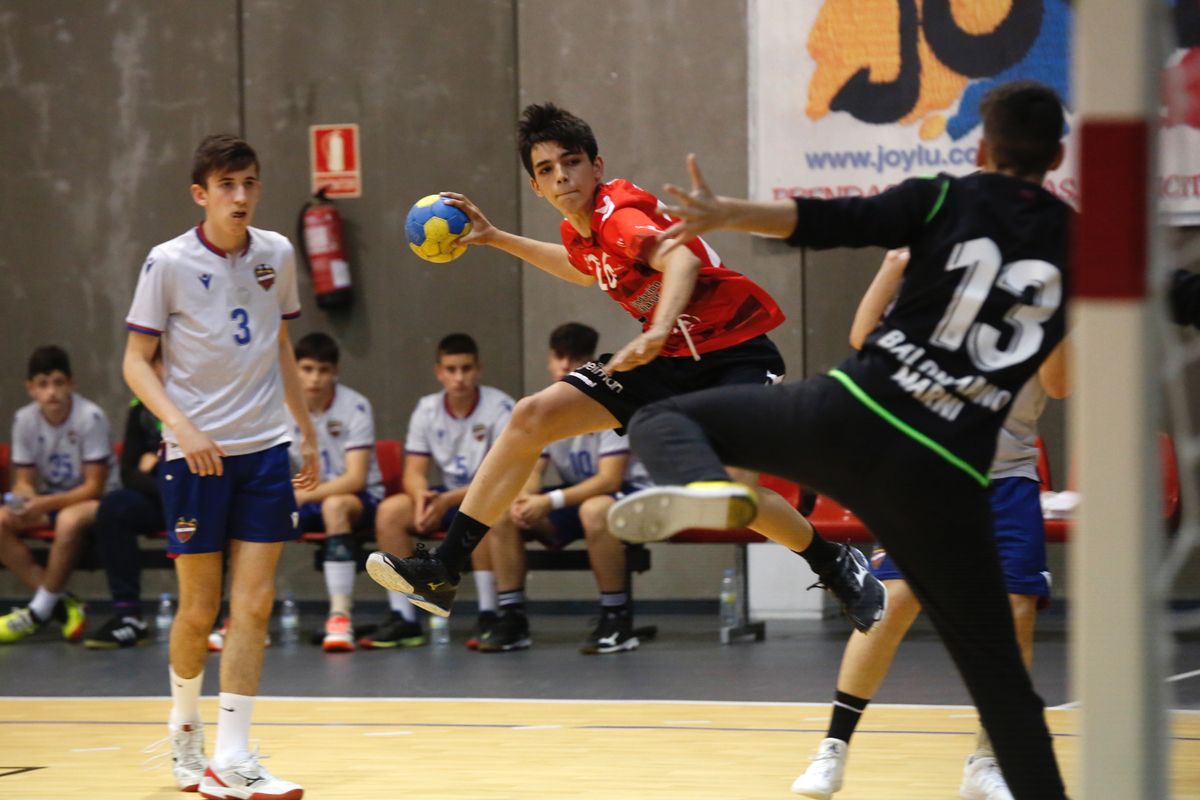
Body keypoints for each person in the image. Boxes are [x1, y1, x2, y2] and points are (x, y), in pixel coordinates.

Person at [606, 81, 1071, 799]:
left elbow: (829, 219)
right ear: (1058, 156)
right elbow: (1175, 290)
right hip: (944, 474)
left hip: (852, 414)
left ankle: (710, 490)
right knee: (1009, 699)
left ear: (981, 147)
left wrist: (728, 212)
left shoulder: (944, 196)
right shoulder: (1077, 243)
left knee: (661, 419)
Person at [366, 103, 885, 635]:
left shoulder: (619, 214)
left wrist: (658, 329)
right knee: (530, 418)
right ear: (535, 185)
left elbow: (680, 260)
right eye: (546, 170)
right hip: (668, 357)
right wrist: (497, 237)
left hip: (733, 352)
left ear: (597, 165)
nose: (561, 176)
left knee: (734, 492)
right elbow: (580, 268)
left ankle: (834, 563)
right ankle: (443, 568)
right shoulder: (582, 230)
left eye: (570, 162)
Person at [791, 249, 1069, 800]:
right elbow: (861, 336)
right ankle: (833, 748)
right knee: (892, 603)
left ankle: (988, 761)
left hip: (1007, 480)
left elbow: (1059, 385)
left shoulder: (1040, 307)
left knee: (1015, 615)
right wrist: (893, 265)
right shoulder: (941, 302)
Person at [124, 133, 318, 799]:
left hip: (264, 450)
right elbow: (133, 362)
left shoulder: (277, 255)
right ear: (201, 194)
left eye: (251, 183)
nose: (241, 196)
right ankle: (184, 729)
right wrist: (180, 426)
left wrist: (306, 428)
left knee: (255, 605)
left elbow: (280, 342)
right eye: (227, 186)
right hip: (195, 459)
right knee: (199, 608)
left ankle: (232, 758)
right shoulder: (168, 263)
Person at [488, 322, 653, 654]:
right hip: (575, 496)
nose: (565, 366)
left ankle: (615, 618)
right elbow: (534, 468)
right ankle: (512, 617)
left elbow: (609, 480)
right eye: (559, 357)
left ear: (590, 363)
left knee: (596, 510)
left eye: (574, 359)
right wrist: (526, 497)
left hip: (630, 494)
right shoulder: (547, 408)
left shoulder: (609, 404)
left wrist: (549, 501)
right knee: (504, 512)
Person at [357, 333, 511, 650]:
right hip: (442, 496)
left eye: (466, 368)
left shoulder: (500, 407)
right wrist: (421, 499)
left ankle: (488, 613)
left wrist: (445, 501)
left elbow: (499, 476)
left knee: (484, 510)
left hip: (480, 493)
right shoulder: (427, 410)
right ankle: (405, 618)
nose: (459, 377)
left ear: (478, 369)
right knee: (390, 512)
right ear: (439, 372)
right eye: (451, 369)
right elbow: (414, 471)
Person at [0, 345, 113, 644]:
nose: (51, 392)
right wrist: (22, 497)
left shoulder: (90, 417)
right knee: (1, 520)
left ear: (71, 383)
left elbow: (95, 487)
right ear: (30, 389)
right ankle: (60, 603)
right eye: (43, 384)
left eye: (58, 383)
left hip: (99, 501)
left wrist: (43, 503)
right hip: (53, 498)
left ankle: (37, 612)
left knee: (68, 520)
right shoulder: (24, 420)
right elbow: (24, 480)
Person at [283, 332, 385, 653]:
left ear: (335, 372)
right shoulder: (280, 407)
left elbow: (355, 478)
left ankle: (340, 617)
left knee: (335, 506)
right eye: (307, 369)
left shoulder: (355, 406)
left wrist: (301, 496)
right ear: (294, 369)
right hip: (309, 497)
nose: (315, 378)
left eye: (323, 370)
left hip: (360, 499)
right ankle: (240, 617)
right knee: (251, 512)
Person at [83, 387, 164, 648]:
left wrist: (159, 466)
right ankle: (129, 617)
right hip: (161, 498)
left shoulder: (200, 398)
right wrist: (163, 482)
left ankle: (216, 619)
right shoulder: (140, 407)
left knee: (217, 512)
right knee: (113, 509)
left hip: (198, 498)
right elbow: (129, 472)